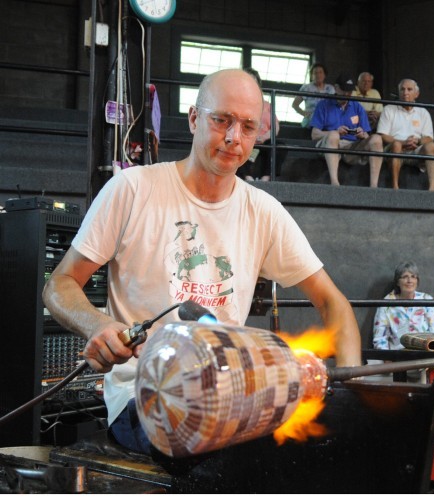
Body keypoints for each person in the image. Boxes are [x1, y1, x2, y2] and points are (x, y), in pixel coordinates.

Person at [42, 69, 362, 455]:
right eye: (221, 120)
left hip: (231, 396)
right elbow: (59, 284)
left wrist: (350, 391)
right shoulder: (132, 190)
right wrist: (100, 325)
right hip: (145, 397)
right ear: (195, 118)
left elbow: (333, 303)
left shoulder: (263, 211)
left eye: (247, 126)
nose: (233, 138)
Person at [372, 261, 434, 412]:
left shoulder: (426, 299)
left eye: (413, 277)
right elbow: (379, 336)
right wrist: (386, 356)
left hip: (426, 349)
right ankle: (426, 409)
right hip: (401, 354)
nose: (410, 281)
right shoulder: (386, 303)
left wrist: (432, 344)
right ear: (398, 281)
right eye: (405, 277)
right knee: (425, 365)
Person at [310, 73, 384, 187]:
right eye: (344, 90)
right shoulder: (323, 105)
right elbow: (314, 134)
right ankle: (334, 182)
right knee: (334, 135)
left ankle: (374, 187)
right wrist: (336, 132)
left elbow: (366, 136)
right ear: (336, 88)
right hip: (330, 144)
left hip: (352, 145)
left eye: (349, 91)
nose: (346, 94)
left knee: (377, 139)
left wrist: (362, 134)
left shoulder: (357, 106)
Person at [376, 79, 434, 191]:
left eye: (409, 89)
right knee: (396, 145)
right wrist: (403, 142)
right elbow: (383, 135)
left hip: (415, 149)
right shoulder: (389, 109)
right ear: (398, 92)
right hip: (394, 149)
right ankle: (395, 186)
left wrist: (417, 141)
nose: (405, 93)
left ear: (416, 94)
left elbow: (429, 138)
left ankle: (432, 188)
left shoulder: (423, 112)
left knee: (431, 146)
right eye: (402, 89)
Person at [236, 67, 287, 182]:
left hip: (264, 139)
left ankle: (266, 178)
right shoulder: (237, 102)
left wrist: (264, 137)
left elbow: (275, 127)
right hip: (245, 138)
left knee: (280, 146)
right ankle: (247, 178)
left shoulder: (267, 105)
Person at [292, 62, 335, 129]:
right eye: (315, 73)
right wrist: (304, 114)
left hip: (326, 120)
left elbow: (335, 105)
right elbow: (295, 104)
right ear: (311, 76)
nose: (318, 75)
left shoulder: (330, 89)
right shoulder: (306, 88)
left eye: (320, 72)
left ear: (324, 75)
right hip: (311, 120)